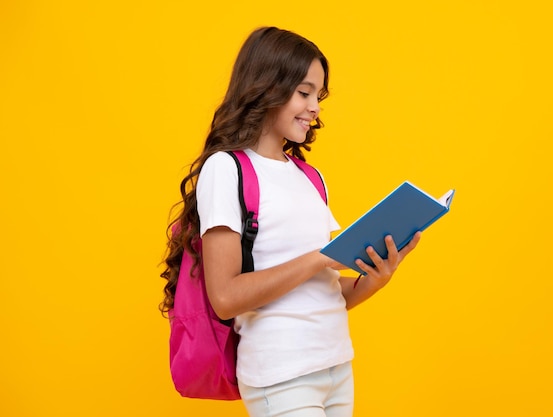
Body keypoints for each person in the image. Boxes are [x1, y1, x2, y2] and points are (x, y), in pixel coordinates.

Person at [160, 26, 422, 417]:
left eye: (319, 95)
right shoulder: (227, 169)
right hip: (281, 373)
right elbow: (225, 297)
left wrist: (376, 279)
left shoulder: (310, 178)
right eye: (304, 92)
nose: (315, 106)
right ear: (267, 88)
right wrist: (319, 257)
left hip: (335, 366)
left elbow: (323, 294)